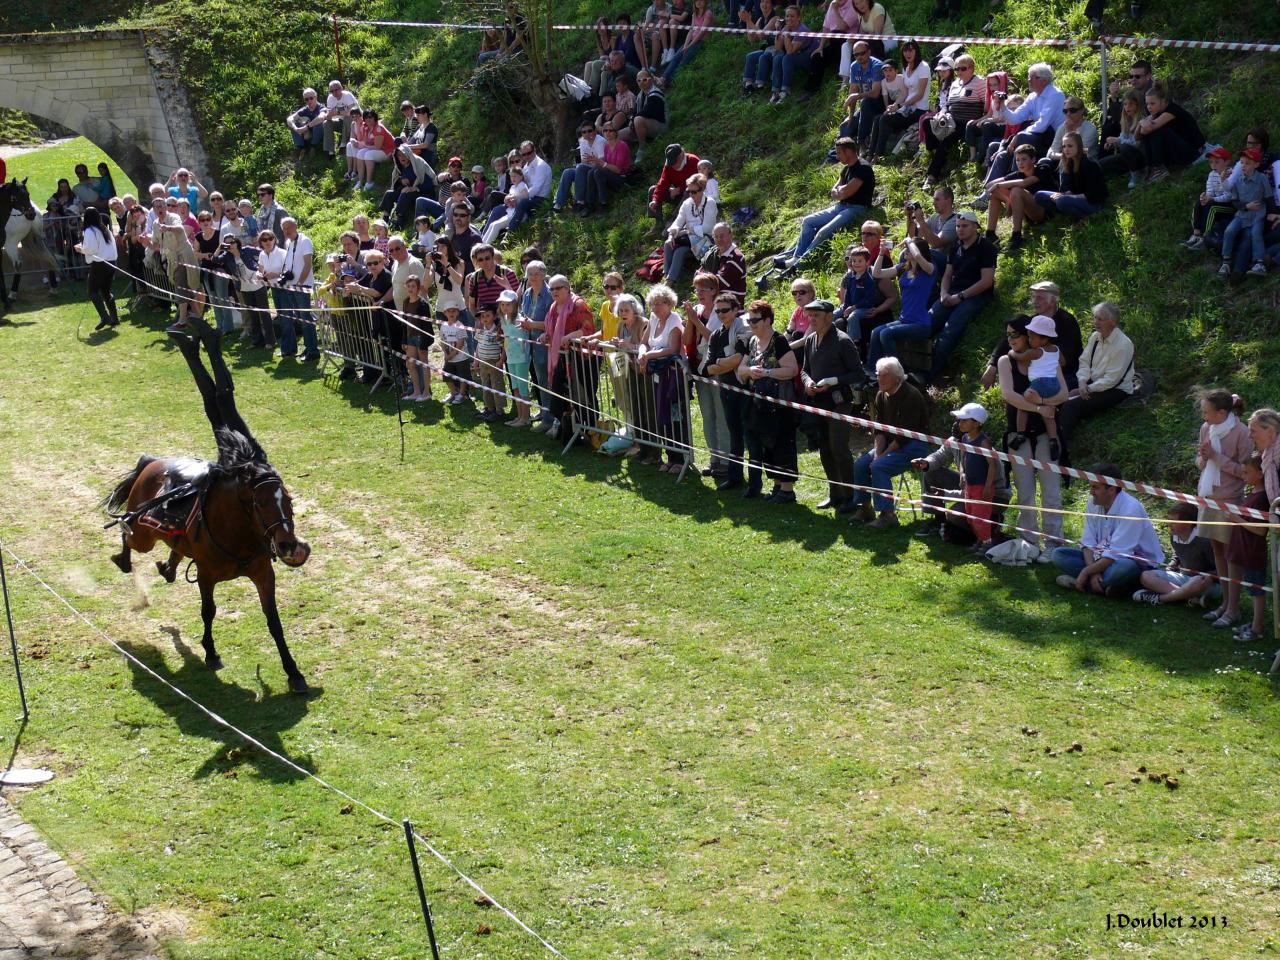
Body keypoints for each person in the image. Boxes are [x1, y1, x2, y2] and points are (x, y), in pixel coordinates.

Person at [1052, 465, 1165, 597]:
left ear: (1111, 489)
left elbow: (1115, 554)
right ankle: (1111, 586)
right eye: (1091, 486)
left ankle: (1089, 585)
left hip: (1138, 565)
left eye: (1095, 487)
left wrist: (1086, 571)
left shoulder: (1131, 509)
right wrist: (1093, 571)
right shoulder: (1093, 503)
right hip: (1101, 559)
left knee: (1123, 568)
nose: (1091, 492)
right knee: (1059, 555)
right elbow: (1088, 544)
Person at [848, 357, 931, 528]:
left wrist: (881, 458)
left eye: (883, 375)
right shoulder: (881, 395)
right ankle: (865, 508)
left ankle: (888, 514)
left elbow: (904, 436)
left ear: (896, 377)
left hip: (914, 445)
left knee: (879, 467)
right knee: (861, 465)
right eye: (878, 375)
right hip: (891, 442)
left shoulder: (911, 396)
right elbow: (879, 430)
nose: (878, 379)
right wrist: (878, 453)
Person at [913, 401, 1010, 544]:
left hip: (992, 493)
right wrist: (926, 463)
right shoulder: (957, 440)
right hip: (968, 487)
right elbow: (939, 456)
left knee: (956, 516)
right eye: (959, 420)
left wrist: (984, 491)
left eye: (964, 420)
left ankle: (991, 525)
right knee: (931, 472)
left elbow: (995, 475)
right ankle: (939, 520)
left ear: (976, 424)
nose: (958, 424)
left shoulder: (984, 445)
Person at [1191, 390, 1253, 614]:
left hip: (1230, 500)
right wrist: (1204, 457)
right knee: (1217, 549)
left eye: (1207, 412)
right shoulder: (1206, 429)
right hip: (1207, 497)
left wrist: (1217, 458)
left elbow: (1245, 473)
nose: (1203, 416)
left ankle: (1233, 608)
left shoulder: (1242, 433)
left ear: (1222, 412)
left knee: (1231, 554)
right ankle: (1225, 603)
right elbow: (1200, 463)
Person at [800, 298, 863, 511]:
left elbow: (858, 374)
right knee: (825, 448)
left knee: (839, 448)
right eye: (810, 315)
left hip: (839, 402)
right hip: (819, 401)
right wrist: (808, 382)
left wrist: (833, 381)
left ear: (829, 316)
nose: (812, 319)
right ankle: (835, 493)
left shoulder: (843, 340)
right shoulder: (810, 340)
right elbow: (804, 369)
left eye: (816, 315)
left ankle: (851, 496)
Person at [777, 138, 874, 270]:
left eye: (839, 153)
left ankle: (799, 264)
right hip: (841, 206)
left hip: (857, 208)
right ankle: (795, 258)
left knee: (823, 231)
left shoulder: (863, 168)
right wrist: (841, 191)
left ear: (849, 151)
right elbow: (834, 191)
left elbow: (847, 192)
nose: (837, 156)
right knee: (808, 221)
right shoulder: (846, 169)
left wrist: (841, 191)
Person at [738, 303, 800, 502]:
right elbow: (741, 369)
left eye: (755, 320)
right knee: (768, 444)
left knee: (783, 444)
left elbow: (792, 370)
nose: (751, 324)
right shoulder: (753, 341)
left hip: (780, 404)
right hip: (761, 404)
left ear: (767, 320)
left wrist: (766, 372)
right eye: (749, 320)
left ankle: (787, 490)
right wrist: (749, 371)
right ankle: (776, 486)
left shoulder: (779, 341)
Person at [927, 210, 997, 380]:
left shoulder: (987, 247)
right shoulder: (956, 246)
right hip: (952, 291)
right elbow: (947, 274)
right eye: (958, 226)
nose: (960, 229)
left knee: (950, 330)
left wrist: (961, 297)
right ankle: (911, 363)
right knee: (926, 322)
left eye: (965, 226)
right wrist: (943, 293)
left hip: (975, 294)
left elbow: (986, 281)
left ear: (975, 227)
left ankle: (931, 373)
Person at [1056, 301, 1136, 440]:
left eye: (1100, 319)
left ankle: (1059, 445)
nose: (1096, 322)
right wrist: (1081, 382)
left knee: (1071, 406)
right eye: (1095, 318)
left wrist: (1087, 390)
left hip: (1115, 390)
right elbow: (1084, 361)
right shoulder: (1095, 337)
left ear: (1112, 322)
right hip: (1092, 383)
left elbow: (1112, 380)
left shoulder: (1123, 345)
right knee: (1059, 395)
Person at [865, 235, 935, 376]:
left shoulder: (929, 270)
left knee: (886, 334)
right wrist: (881, 252)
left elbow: (918, 256)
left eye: (909, 249)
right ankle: (871, 370)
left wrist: (909, 240)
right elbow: (876, 273)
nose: (906, 251)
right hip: (905, 320)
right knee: (876, 332)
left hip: (921, 324)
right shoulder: (903, 268)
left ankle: (898, 373)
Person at [1131, 502, 1221, 608]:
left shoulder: (1204, 541)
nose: (1169, 524)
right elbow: (1177, 555)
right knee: (1146, 576)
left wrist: (1208, 576)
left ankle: (1158, 598)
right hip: (1183, 578)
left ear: (1188, 524)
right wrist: (1172, 563)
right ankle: (1188, 597)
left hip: (1206, 583)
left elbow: (1221, 570)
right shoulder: (1174, 537)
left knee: (1196, 582)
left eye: (1173, 521)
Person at [637, 284, 687, 470]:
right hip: (658, 375)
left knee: (677, 416)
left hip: (674, 377)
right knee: (662, 415)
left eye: (660, 303)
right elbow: (644, 342)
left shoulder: (674, 320)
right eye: (653, 304)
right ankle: (670, 456)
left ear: (669, 303)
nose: (656, 308)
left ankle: (682, 459)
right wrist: (642, 352)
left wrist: (649, 355)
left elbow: (672, 348)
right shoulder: (653, 318)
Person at [541, 275, 597, 441]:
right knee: (562, 395)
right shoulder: (553, 308)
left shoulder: (578, 305)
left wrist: (573, 335)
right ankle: (569, 430)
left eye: (558, 288)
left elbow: (589, 329)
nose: (554, 292)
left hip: (580, 360)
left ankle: (590, 431)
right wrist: (546, 336)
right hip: (560, 359)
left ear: (567, 288)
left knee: (582, 395)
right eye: (552, 289)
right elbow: (553, 331)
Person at [1008, 313, 1067, 459]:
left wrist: (1011, 353)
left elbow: (1020, 357)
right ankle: (1053, 440)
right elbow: (1063, 363)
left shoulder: (1036, 352)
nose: (1029, 339)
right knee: (1048, 413)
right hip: (1054, 384)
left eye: (1032, 337)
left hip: (1039, 383)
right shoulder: (1056, 349)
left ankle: (1020, 434)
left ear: (1044, 339)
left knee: (1023, 404)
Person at [923, 55, 985, 186]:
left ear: (972, 68)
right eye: (957, 69)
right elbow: (947, 104)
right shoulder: (955, 84)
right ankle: (935, 152)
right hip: (951, 120)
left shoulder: (979, 82)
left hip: (967, 123)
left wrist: (980, 121)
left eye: (963, 68)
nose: (959, 72)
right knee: (927, 123)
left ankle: (932, 175)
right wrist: (942, 113)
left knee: (946, 141)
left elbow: (986, 105)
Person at [1218, 147, 1273, 279]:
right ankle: (1226, 261)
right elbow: (1235, 201)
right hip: (1242, 214)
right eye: (1242, 162)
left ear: (1256, 165)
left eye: (1247, 163)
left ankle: (1259, 263)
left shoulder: (1262, 179)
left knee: (1256, 233)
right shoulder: (1237, 180)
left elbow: (1269, 197)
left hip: (1258, 214)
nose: (1243, 166)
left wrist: (1273, 213)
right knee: (1229, 231)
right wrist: (1246, 206)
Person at [869, 41, 929, 158]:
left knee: (885, 119)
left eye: (911, 50)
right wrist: (895, 105)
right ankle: (871, 153)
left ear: (916, 51)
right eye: (905, 50)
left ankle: (878, 155)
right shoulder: (906, 68)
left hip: (919, 110)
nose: (908, 53)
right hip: (906, 107)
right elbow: (904, 92)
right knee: (878, 119)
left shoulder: (923, 67)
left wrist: (900, 106)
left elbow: (920, 94)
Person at [1033, 132, 1108, 222]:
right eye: (1064, 146)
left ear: (1079, 146)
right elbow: (1066, 189)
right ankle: (1072, 214)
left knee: (1061, 201)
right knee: (1039, 196)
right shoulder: (1070, 162)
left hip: (1093, 203)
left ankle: (1087, 216)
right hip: (1074, 198)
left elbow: (1093, 194)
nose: (1066, 149)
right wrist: (1063, 193)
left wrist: (1069, 196)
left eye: (1070, 146)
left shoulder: (1089, 163)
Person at [1137, 83, 1205, 182]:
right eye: (1147, 103)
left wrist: (1143, 121)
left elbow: (1147, 128)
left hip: (1193, 152)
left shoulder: (1172, 110)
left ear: (1164, 101)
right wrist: (1143, 122)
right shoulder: (1156, 113)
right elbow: (1139, 134)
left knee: (1156, 129)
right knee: (1150, 131)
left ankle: (1158, 168)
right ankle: (1152, 167)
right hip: (1178, 150)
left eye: (1152, 103)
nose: (1148, 107)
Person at [983, 144, 1044, 253]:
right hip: (1027, 214)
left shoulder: (1042, 168)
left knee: (1016, 190)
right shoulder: (1018, 174)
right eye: (1017, 160)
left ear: (1033, 159)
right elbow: (989, 186)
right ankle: (990, 234)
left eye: (1024, 159)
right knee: (994, 194)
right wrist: (1007, 200)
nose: (1020, 163)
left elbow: (1024, 182)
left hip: (1042, 212)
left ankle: (1016, 236)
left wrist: (998, 185)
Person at [662, 173, 717, 284]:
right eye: (688, 191)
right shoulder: (687, 204)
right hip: (688, 239)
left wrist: (687, 231)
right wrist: (671, 235)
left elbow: (707, 228)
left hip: (705, 241)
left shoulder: (710, 203)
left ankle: (670, 282)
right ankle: (666, 275)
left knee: (679, 252)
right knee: (668, 244)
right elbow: (678, 221)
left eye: (694, 192)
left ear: (702, 190)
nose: (691, 195)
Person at [520, 261, 556, 431]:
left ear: (543, 275)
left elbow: (552, 323)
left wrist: (532, 325)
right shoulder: (527, 293)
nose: (533, 277)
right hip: (530, 343)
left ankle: (549, 419)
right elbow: (523, 314)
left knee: (546, 381)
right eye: (530, 274)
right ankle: (543, 412)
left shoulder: (550, 295)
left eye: (536, 274)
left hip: (545, 344)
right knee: (538, 380)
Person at [277, 218, 318, 362]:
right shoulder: (288, 242)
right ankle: (308, 347)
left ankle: (314, 350)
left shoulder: (305, 241)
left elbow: (308, 264)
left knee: (306, 318)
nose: (286, 231)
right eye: (284, 229)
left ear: (295, 226)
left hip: (302, 286)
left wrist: (300, 283)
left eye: (288, 228)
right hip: (291, 285)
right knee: (300, 318)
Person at [1181, 147, 1235, 251]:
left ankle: (1205, 238)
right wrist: (1205, 197)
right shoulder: (1212, 174)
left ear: (1227, 162)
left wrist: (1212, 199)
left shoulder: (1231, 174)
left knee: (1212, 208)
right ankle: (1196, 234)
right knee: (1199, 202)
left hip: (1230, 206)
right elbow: (1210, 191)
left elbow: (1229, 196)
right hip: (1216, 202)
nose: (1213, 165)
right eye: (1211, 162)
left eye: (1217, 162)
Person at [74, 207, 120, 331]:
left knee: (92, 291)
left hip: (100, 264)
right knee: (105, 291)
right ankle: (114, 317)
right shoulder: (105, 229)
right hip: (112, 262)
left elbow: (91, 249)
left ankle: (104, 317)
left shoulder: (90, 230)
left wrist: (80, 248)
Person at [766, 5, 817, 105]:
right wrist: (778, 31)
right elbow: (778, 48)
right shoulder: (787, 28)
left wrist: (786, 35)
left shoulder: (802, 30)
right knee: (778, 57)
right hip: (799, 54)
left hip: (811, 56)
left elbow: (790, 51)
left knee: (787, 58)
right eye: (787, 16)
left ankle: (785, 91)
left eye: (792, 16)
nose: (789, 18)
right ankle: (775, 91)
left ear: (798, 18)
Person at [228, 235, 272, 349]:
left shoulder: (246, 250)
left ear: (237, 242)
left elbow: (262, 253)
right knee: (253, 315)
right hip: (244, 288)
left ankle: (270, 341)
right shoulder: (227, 257)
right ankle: (257, 341)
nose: (230, 245)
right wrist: (219, 248)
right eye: (227, 244)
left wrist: (260, 269)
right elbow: (214, 259)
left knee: (264, 313)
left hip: (258, 285)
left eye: (232, 242)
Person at [497, 288, 532, 425]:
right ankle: (520, 416)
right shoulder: (503, 320)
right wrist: (503, 358)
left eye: (508, 304)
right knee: (515, 387)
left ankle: (525, 417)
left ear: (515, 305)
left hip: (521, 358)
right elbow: (507, 340)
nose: (505, 307)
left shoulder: (520, 319)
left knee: (523, 388)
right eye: (502, 304)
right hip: (511, 358)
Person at [554, 123, 608, 214]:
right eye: (584, 132)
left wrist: (590, 161)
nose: (587, 133)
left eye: (590, 131)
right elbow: (582, 160)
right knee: (567, 172)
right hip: (587, 167)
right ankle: (558, 204)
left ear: (595, 131)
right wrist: (588, 161)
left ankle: (580, 201)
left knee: (581, 167)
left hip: (599, 169)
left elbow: (601, 161)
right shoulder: (582, 141)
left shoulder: (600, 141)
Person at [647, 143, 700, 234]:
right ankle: (658, 222)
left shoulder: (694, 161)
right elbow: (663, 183)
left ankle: (673, 220)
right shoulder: (669, 166)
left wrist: (680, 189)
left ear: (681, 155)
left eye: (675, 161)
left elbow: (700, 183)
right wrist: (655, 200)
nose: (673, 165)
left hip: (693, 196)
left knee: (688, 191)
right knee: (653, 190)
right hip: (678, 196)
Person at [1099, 90, 1147, 188]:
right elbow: (1122, 137)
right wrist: (1112, 143)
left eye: (1130, 104)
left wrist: (1118, 141)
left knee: (1125, 147)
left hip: (1141, 156)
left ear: (1138, 105)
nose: (1127, 107)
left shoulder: (1143, 120)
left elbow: (1136, 143)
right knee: (1100, 164)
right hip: (1126, 157)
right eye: (1125, 104)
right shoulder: (1126, 120)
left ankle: (1137, 174)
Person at [662, 0, 713, 88]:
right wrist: (685, 45)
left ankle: (672, 81)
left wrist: (689, 46)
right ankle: (663, 78)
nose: (698, 2)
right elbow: (691, 30)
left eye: (700, 0)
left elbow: (701, 33)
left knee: (684, 60)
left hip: (700, 41)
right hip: (691, 40)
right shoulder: (694, 14)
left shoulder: (708, 13)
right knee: (676, 57)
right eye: (696, 1)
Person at [584, 125, 634, 215]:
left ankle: (604, 204)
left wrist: (600, 162)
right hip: (612, 175)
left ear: (615, 133)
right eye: (605, 130)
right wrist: (595, 162)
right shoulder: (606, 146)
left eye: (610, 130)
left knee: (598, 172)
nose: (607, 132)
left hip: (623, 178)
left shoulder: (621, 146)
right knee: (592, 171)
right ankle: (590, 204)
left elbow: (618, 170)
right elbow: (606, 166)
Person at [400, 274, 435, 402]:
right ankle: (416, 391)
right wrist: (404, 339)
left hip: (421, 337)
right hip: (410, 337)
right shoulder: (405, 302)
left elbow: (427, 325)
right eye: (408, 286)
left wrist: (424, 342)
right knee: (410, 364)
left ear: (418, 288)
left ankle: (426, 392)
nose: (411, 288)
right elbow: (404, 322)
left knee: (424, 363)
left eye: (413, 286)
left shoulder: (423, 304)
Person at [842, 42, 884, 149]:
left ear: (869, 52)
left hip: (882, 100)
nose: (859, 57)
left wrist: (856, 96)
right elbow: (853, 91)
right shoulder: (854, 67)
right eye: (856, 55)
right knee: (847, 125)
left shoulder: (877, 66)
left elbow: (875, 93)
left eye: (862, 53)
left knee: (865, 102)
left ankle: (862, 142)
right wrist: (851, 115)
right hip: (866, 102)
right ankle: (842, 150)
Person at [471, 304, 507, 422]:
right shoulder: (480, 331)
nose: (485, 318)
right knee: (485, 386)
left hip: (494, 362)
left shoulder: (497, 332)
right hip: (482, 362)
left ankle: (499, 411)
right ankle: (489, 408)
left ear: (494, 316)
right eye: (482, 316)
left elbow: (504, 347)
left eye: (487, 315)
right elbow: (478, 347)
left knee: (496, 385)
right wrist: (476, 361)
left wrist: (501, 361)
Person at [741, 0, 783, 93]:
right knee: (750, 56)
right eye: (762, 2)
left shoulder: (775, 18)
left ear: (772, 5)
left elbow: (762, 35)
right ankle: (748, 85)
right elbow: (752, 38)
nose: (764, 4)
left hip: (775, 49)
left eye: (767, 2)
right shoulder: (760, 19)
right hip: (766, 49)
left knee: (763, 57)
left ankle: (760, 85)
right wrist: (748, 22)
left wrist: (748, 20)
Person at [508, 142, 552, 230]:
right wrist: (512, 197)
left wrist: (518, 197)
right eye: (524, 154)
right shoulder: (526, 166)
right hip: (531, 197)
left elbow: (536, 188)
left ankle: (510, 232)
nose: (527, 156)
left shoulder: (541, 166)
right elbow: (521, 184)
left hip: (541, 198)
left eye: (529, 153)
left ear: (534, 151)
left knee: (523, 202)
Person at [438, 300, 471, 405]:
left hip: (461, 357)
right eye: (449, 311)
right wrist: (445, 354)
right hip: (449, 358)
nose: (451, 313)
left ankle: (461, 394)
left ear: (458, 313)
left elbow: (460, 343)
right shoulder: (443, 326)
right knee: (447, 375)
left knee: (462, 376)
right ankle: (453, 393)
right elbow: (442, 341)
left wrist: (451, 355)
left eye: (454, 311)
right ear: (445, 313)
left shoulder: (460, 326)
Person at [354, 110, 395, 192]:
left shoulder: (378, 128)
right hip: (380, 150)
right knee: (360, 153)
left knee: (368, 155)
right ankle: (361, 181)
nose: (368, 119)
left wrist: (364, 146)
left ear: (375, 118)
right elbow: (366, 142)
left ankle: (369, 182)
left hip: (389, 151)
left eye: (370, 117)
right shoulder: (366, 127)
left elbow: (377, 147)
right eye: (366, 117)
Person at [710, 222, 746, 302]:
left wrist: (704, 277)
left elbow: (717, 285)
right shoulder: (712, 254)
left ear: (730, 235)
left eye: (722, 236)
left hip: (730, 310)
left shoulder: (736, 257)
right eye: (716, 237)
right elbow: (697, 276)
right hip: (715, 307)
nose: (719, 239)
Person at [322, 80, 359, 156]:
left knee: (347, 117)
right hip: (341, 122)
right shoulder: (330, 98)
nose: (334, 93)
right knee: (327, 123)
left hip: (355, 123)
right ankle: (330, 151)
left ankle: (343, 145)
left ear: (341, 88)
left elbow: (352, 113)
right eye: (331, 91)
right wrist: (328, 115)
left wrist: (337, 112)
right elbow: (329, 114)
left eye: (336, 89)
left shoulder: (348, 96)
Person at [286, 88, 325, 157]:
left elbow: (321, 117)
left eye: (311, 98)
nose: (309, 101)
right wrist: (296, 129)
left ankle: (313, 147)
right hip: (307, 135)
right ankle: (302, 147)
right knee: (292, 124)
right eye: (306, 99)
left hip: (319, 135)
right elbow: (289, 119)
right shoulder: (305, 110)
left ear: (316, 97)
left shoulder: (321, 107)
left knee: (318, 123)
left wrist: (306, 127)